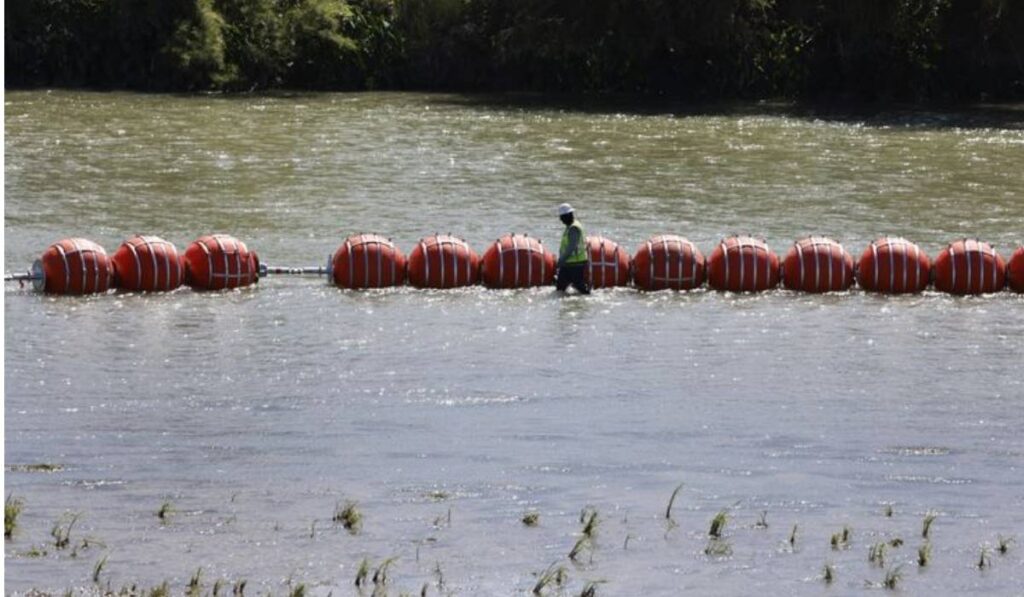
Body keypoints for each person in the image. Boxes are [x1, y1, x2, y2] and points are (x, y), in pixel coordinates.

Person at [555, 203, 591, 294]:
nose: (561, 220)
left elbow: (571, 247)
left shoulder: (573, 228)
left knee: (579, 288)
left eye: (562, 217)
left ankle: (588, 298)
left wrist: (561, 261)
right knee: (560, 289)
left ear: (567, 216)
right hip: (570, 263)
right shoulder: (571, 226)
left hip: (575, 264)